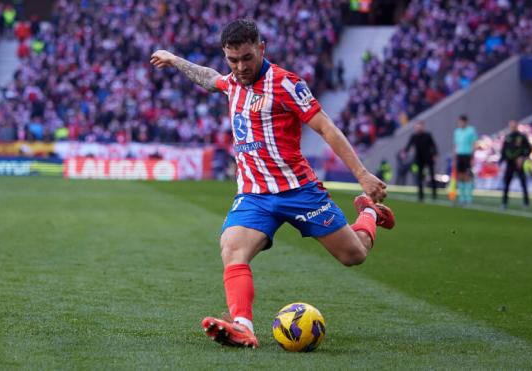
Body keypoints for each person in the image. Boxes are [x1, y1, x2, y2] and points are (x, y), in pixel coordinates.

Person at [150, 19, 395, 348]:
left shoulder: (286, 84)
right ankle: (242, 326)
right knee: (232, 249)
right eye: (232, 60)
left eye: (246, 58)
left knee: (354, 255)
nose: (240, 67)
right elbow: (210, 79)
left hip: (299, 191)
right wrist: (175, 59)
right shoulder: (233, 82)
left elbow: (326, 129)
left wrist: (362, 175)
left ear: (261, 48)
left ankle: (369, 214)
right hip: (254, 195)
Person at [500, 120, 531, 209]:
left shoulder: (522, 137)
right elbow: (504, 150)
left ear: (517, 126)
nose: (512, 127)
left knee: (523, 182)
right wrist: (502, 160)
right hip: (509, 163)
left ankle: (526, 202)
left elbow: (528, 149)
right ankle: (504, 202)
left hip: (519, 164)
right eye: (511, 126)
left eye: (514, 125)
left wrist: (523, 157)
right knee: (506, 183)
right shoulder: (507, 137)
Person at [405, 121, 438, 201]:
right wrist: (405, 152)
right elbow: (408, 146)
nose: (418, 128)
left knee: (432, 176)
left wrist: (435, 155)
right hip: (419, 159)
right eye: (417, 127)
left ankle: (434, 194)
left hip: (428, 158)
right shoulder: (414, 136)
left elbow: (433, 145)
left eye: (420, 126)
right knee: (419, 177)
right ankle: (421, 195)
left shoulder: (428, 135)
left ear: (423, 127)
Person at [453, 115, 478, 205]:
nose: (460, 124)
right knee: (460, 176)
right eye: (459, 122)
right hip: (459, 155)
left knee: (467, 176)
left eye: (462, 122)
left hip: (467, 155)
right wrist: (455, 158)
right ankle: (462, 197)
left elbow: (474, 144)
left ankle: (468, 197)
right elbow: (455, 146)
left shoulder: (471, 130)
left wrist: (472, 157)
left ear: (465, 122)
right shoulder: (457, 132)